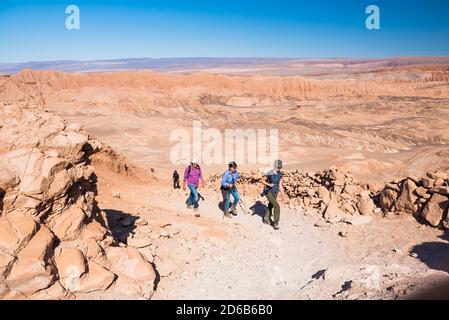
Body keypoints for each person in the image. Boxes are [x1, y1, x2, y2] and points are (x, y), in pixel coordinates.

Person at [260, 160, 285, 230]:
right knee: (277, 206)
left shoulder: (280, 174)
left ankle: (266, 218)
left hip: (275, 192)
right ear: (275, 166)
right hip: (268, 191)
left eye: (280, 167)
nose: (279, 169)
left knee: (270, 205)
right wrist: (268, 184)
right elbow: (262, 180)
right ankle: (276, 222)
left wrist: (283, 195)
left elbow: (280, 185)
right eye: (278, 167)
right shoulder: (270, 173)